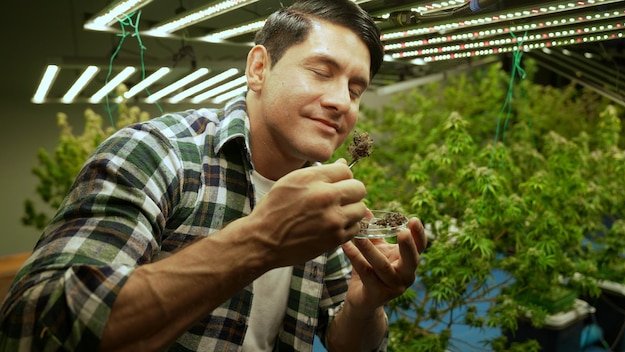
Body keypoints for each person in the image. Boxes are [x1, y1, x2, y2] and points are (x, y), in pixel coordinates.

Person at [0, 0, 427, 350]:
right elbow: (33, 327)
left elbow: (344, 341)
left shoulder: (324, 194)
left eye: (355, 90)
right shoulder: (156, 153)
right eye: (321, 71)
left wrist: (366, 304)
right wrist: (262, 238)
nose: (341, 101)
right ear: (259, 68)